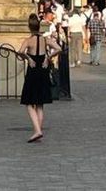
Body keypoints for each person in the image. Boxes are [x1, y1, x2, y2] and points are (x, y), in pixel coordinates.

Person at [19, 14, 61, 143]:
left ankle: (37, 130)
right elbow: (58, 48)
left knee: (29, 102)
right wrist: (48, 58)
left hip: (33, 71)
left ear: (29, 27)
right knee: (40, 104)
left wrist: (29, 58)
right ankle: (38, 129)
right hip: (43, 70)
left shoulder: (28, 40)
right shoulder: (45, 39)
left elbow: (20, 52)